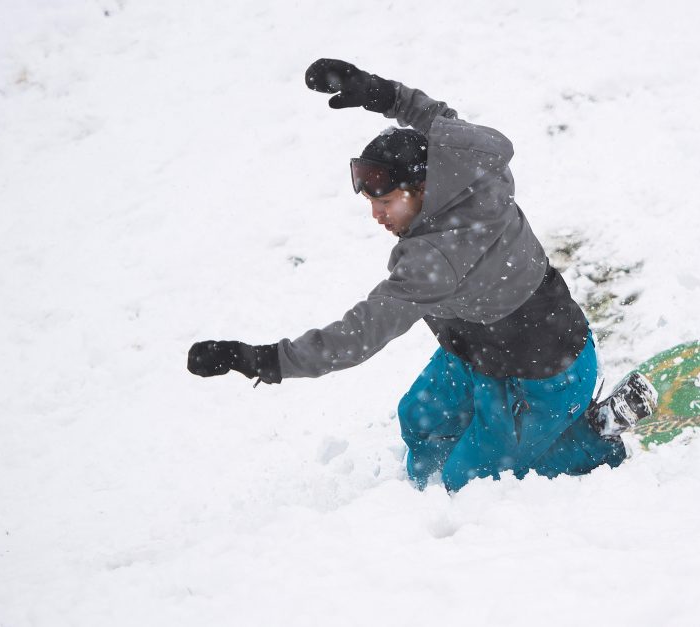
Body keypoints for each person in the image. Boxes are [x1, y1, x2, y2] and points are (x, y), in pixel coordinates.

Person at [187, 58, 656, 492]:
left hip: (544, 376)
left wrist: (264, 360)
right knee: (418, 421)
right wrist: (381, 93)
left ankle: (595, 433)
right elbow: (440, 121)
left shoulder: (436, 261)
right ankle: (465, 466)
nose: (375, 214)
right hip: (478, 354)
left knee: (466, 481)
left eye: (385, 202)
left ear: (422, 189)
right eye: (371, 202)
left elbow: (358, 333)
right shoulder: (469, 168)